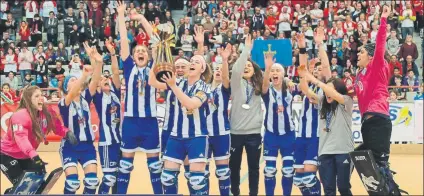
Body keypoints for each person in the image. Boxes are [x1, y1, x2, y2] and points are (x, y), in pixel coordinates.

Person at [355, 5, 404, 194]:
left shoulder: (377, 67)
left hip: (378, 120)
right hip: (368, 122)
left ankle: (392, 192)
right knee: (365, 163)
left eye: (361, 52)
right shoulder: (361, 75)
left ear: (371, 57)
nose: (358, 54)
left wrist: (383, 20)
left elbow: (380, 46)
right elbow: (351, 92)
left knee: (379, 166)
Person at [115, 2, 162, 194]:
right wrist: (120, 15)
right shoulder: (128, 67)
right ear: (132, 57)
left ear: (148, 55)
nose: (140, 52)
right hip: (131, 123)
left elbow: (158, 42)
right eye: (137, 51)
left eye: (143, 50)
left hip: (150, 123)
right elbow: (124, 41)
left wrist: (142, 19)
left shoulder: (154, 67)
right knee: (125, 166)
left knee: (155, 167)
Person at [0, 86, 77, 194]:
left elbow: (57, 127)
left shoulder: (47, 112)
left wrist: (67, 132)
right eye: (37, 96)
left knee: (39, 176)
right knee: (23, 186)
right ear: (28, 99)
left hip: (26, 155)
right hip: (7, 155)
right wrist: (34, 155)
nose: (41, 98)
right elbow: (21, 139)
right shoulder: (20, 115)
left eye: (41, 95)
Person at [159, 55, 211, 195]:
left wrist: (173, 86)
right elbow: (153, 81)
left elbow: (191, 104)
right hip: (176, 136)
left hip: (197, 137)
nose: (193, 63)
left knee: (197, 181)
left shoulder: (204, 87)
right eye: (191, 61)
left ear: (202, 69)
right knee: (167, 178)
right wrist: (158, 48)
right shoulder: (179, 82)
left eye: (197, 62)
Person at [299, 67, 354, 196]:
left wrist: (314, 80)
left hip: (343, 151)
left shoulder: (346, 101)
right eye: (326, 90)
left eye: (330, 89)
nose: (327, 92)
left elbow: (333, 94)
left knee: (343, 188)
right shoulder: (322, 102)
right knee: (328, 190)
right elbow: (306, 91)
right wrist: (303, 76)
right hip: (324, 152)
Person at [58, 42, 103, 194]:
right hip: (70, 146)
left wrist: (97, 61)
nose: (75, 82)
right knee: (72, 183)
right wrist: (84, 75)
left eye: (75, 80)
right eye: (71, 80)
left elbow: (95, 80)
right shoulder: (64, 102)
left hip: (87, 145)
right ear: (66, 88)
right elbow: (73, 92)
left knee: (92, 182)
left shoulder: (85, 98)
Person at [229, 34, 263, 196]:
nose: (246, 67)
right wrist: (246, 51)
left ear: (255, 69)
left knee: (254, 168)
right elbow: (236, 69)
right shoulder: (236, 83)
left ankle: (253, 193)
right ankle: (235, 192)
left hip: (254, 133)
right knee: (234, 166)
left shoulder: (258, 84)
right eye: (245, 65)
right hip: (236, 132)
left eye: (250, 65)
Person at [261, 53, 296, 196]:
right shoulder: (266, 89)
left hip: (288, 135)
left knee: (288, 170)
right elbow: (263, 85)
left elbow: (303, 85)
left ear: (284, 74)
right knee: (269, 170)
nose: (275, 73)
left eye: (278, 70)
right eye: (272, 71)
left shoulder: (291, 87)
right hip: (271, 135)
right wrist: (268, 67)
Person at [93, 40, 122, 194]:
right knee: (109, 177)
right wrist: (97, 63)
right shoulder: (98, 97)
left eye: (107, 78)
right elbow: (95, 78)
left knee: (119, 176)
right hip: (106, 142)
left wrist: (112, 54)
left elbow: (116, 72)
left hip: (119, 141)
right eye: (102, 79)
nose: (106, 80)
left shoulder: (115, 94)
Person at [205, 44, 232, 195]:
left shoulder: (224, 89)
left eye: (221, 70)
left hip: (221, 133)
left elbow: (226, 78)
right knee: (203, 171)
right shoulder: (203, 87)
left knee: (223, 172)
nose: (218, 72)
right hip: (204, 133)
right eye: (216, 70)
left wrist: (225, 61)